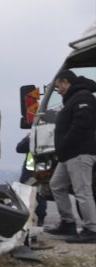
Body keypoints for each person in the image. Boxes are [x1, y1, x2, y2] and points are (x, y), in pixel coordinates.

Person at [45, 70, 96, 243]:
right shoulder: (73, 99)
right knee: (56, 185)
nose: (58, 90)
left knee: (83, 191)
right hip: (68, 154)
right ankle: (68, 222)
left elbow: (82, 124)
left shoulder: (83, 97)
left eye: (58, 86)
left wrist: (66, 143)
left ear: (66, 82)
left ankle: (91, 229)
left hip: (80, 152)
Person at [16, 135, 47, 226]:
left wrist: (29, 136)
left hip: (32, 169)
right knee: (40, 192)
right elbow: (19, 148)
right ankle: (40, 217)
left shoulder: (34, 135)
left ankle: (29, 217)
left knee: (30, 191)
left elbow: (19, 148)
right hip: (40, 166)